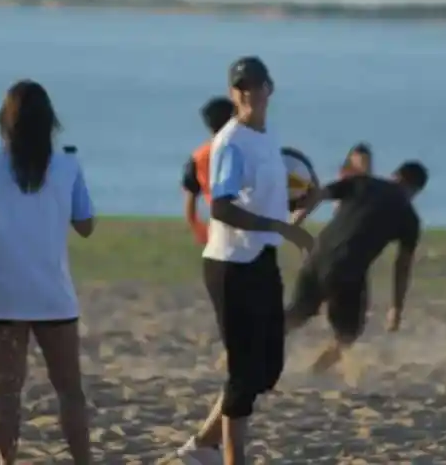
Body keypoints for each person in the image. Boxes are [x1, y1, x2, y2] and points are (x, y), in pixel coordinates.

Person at [175, 57, 313, 465]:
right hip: (231, 265)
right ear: (235, 94)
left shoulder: (267, 137)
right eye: (241, 87)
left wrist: (302, 208)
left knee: (267, 369)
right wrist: (284, 227)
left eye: (255, 84)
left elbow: (273, 198)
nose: (249, 92)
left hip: (261, 259)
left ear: (270, 88)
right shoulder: (231, 141)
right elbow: (221, 207)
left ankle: (202, 445)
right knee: (243, 374)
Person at [0, 80, 94, 465]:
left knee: (8, 389)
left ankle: (7, 461)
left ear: (6, 122)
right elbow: (85, 225)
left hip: (5, 293)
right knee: (70, 390)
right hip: (53, 294)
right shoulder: (68, 165)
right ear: (50, 123)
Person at [284, 161, 428, 374]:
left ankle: (245, 349)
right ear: (415, 190)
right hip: (347, 270)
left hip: (316, 258)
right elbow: (402, 267)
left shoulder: (363, 182)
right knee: (348, 334)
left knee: (295, 315)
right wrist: (396, 308)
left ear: (394, 175)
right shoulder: (409, 216)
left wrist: (295, 220)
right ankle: (314, 371)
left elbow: (318, 194)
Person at [181, 97, 235, 245]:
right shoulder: (245, 152)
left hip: (219, 230)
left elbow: (190, 206)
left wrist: (201, 232)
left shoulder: (197, 158)